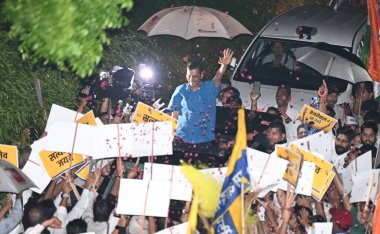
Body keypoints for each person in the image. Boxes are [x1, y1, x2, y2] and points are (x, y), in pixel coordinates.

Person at [167, 48, 234, 144]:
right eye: (189, 76)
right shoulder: (180, 90)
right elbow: (175, 114)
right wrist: (171, 134)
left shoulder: (209, 88)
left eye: (195, 76)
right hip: (182, 137)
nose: (191, 79)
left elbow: (218, 77)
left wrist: (224, 65)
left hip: (203, 139)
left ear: (201, 75)